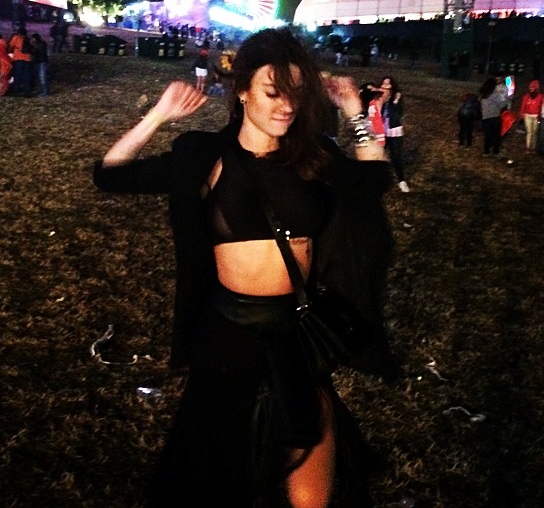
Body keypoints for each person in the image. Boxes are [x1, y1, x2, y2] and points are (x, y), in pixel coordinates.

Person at [93, 28, 397, 508]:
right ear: (241, 91)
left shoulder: (311, 155)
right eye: (273, 92)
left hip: (297, 329)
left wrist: (354, 112)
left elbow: (374, 179)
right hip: (229, 332)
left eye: (296, 94)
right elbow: (110, 175)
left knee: (311, 469)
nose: (287, 106)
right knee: (219, 469)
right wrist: (159, 115)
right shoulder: (204, 156)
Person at [379, 76, 410, 192]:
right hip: (381, 132)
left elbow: (399, 114)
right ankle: (379, 179)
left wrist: (395, 102)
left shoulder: (397, 97)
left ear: (392, 85)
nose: (385, 85)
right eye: (384, 83)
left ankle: (402, 181)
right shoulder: (379, 97)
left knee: (396, 157)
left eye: (388, 83)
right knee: (379, 156)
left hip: (394, 132)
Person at [479, 76, 508, 155]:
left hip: (485, 117)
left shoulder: (483, 95)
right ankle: (496, 151)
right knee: (496, 135)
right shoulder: (495, 94)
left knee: (487, 135)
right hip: (495, 116)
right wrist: (506, 99)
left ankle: (486, 151)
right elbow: (502, 104)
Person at [517, 80, 543, 153]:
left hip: (536, 116)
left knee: (534, 132)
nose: (531, 88)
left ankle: (533, 147)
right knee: (529, 132)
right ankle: (528, 148)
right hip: (527, 116)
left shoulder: (540, 97)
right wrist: (521, 114)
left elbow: (541, 106)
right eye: (530, 87)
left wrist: (540, 115)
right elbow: (523, 106)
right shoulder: (526, 96)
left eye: (532, 87)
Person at [8, 27, 33, 97]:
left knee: (17, 75)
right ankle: (27, 91)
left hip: (18, 58)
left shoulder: (16, 37)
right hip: (27, 59)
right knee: (27, 76)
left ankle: (16, 91)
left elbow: (10, 45)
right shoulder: (28, 39)